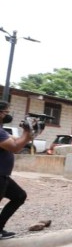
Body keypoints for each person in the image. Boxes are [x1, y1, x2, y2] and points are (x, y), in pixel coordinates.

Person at [0, 101, 33, 239]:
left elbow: (19, 141)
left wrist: (31, 131)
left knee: (19, 196)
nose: (8, 115)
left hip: (3, 175)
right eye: (6, 112)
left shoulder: (2, 131)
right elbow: (15, 147)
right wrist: (27, 132)